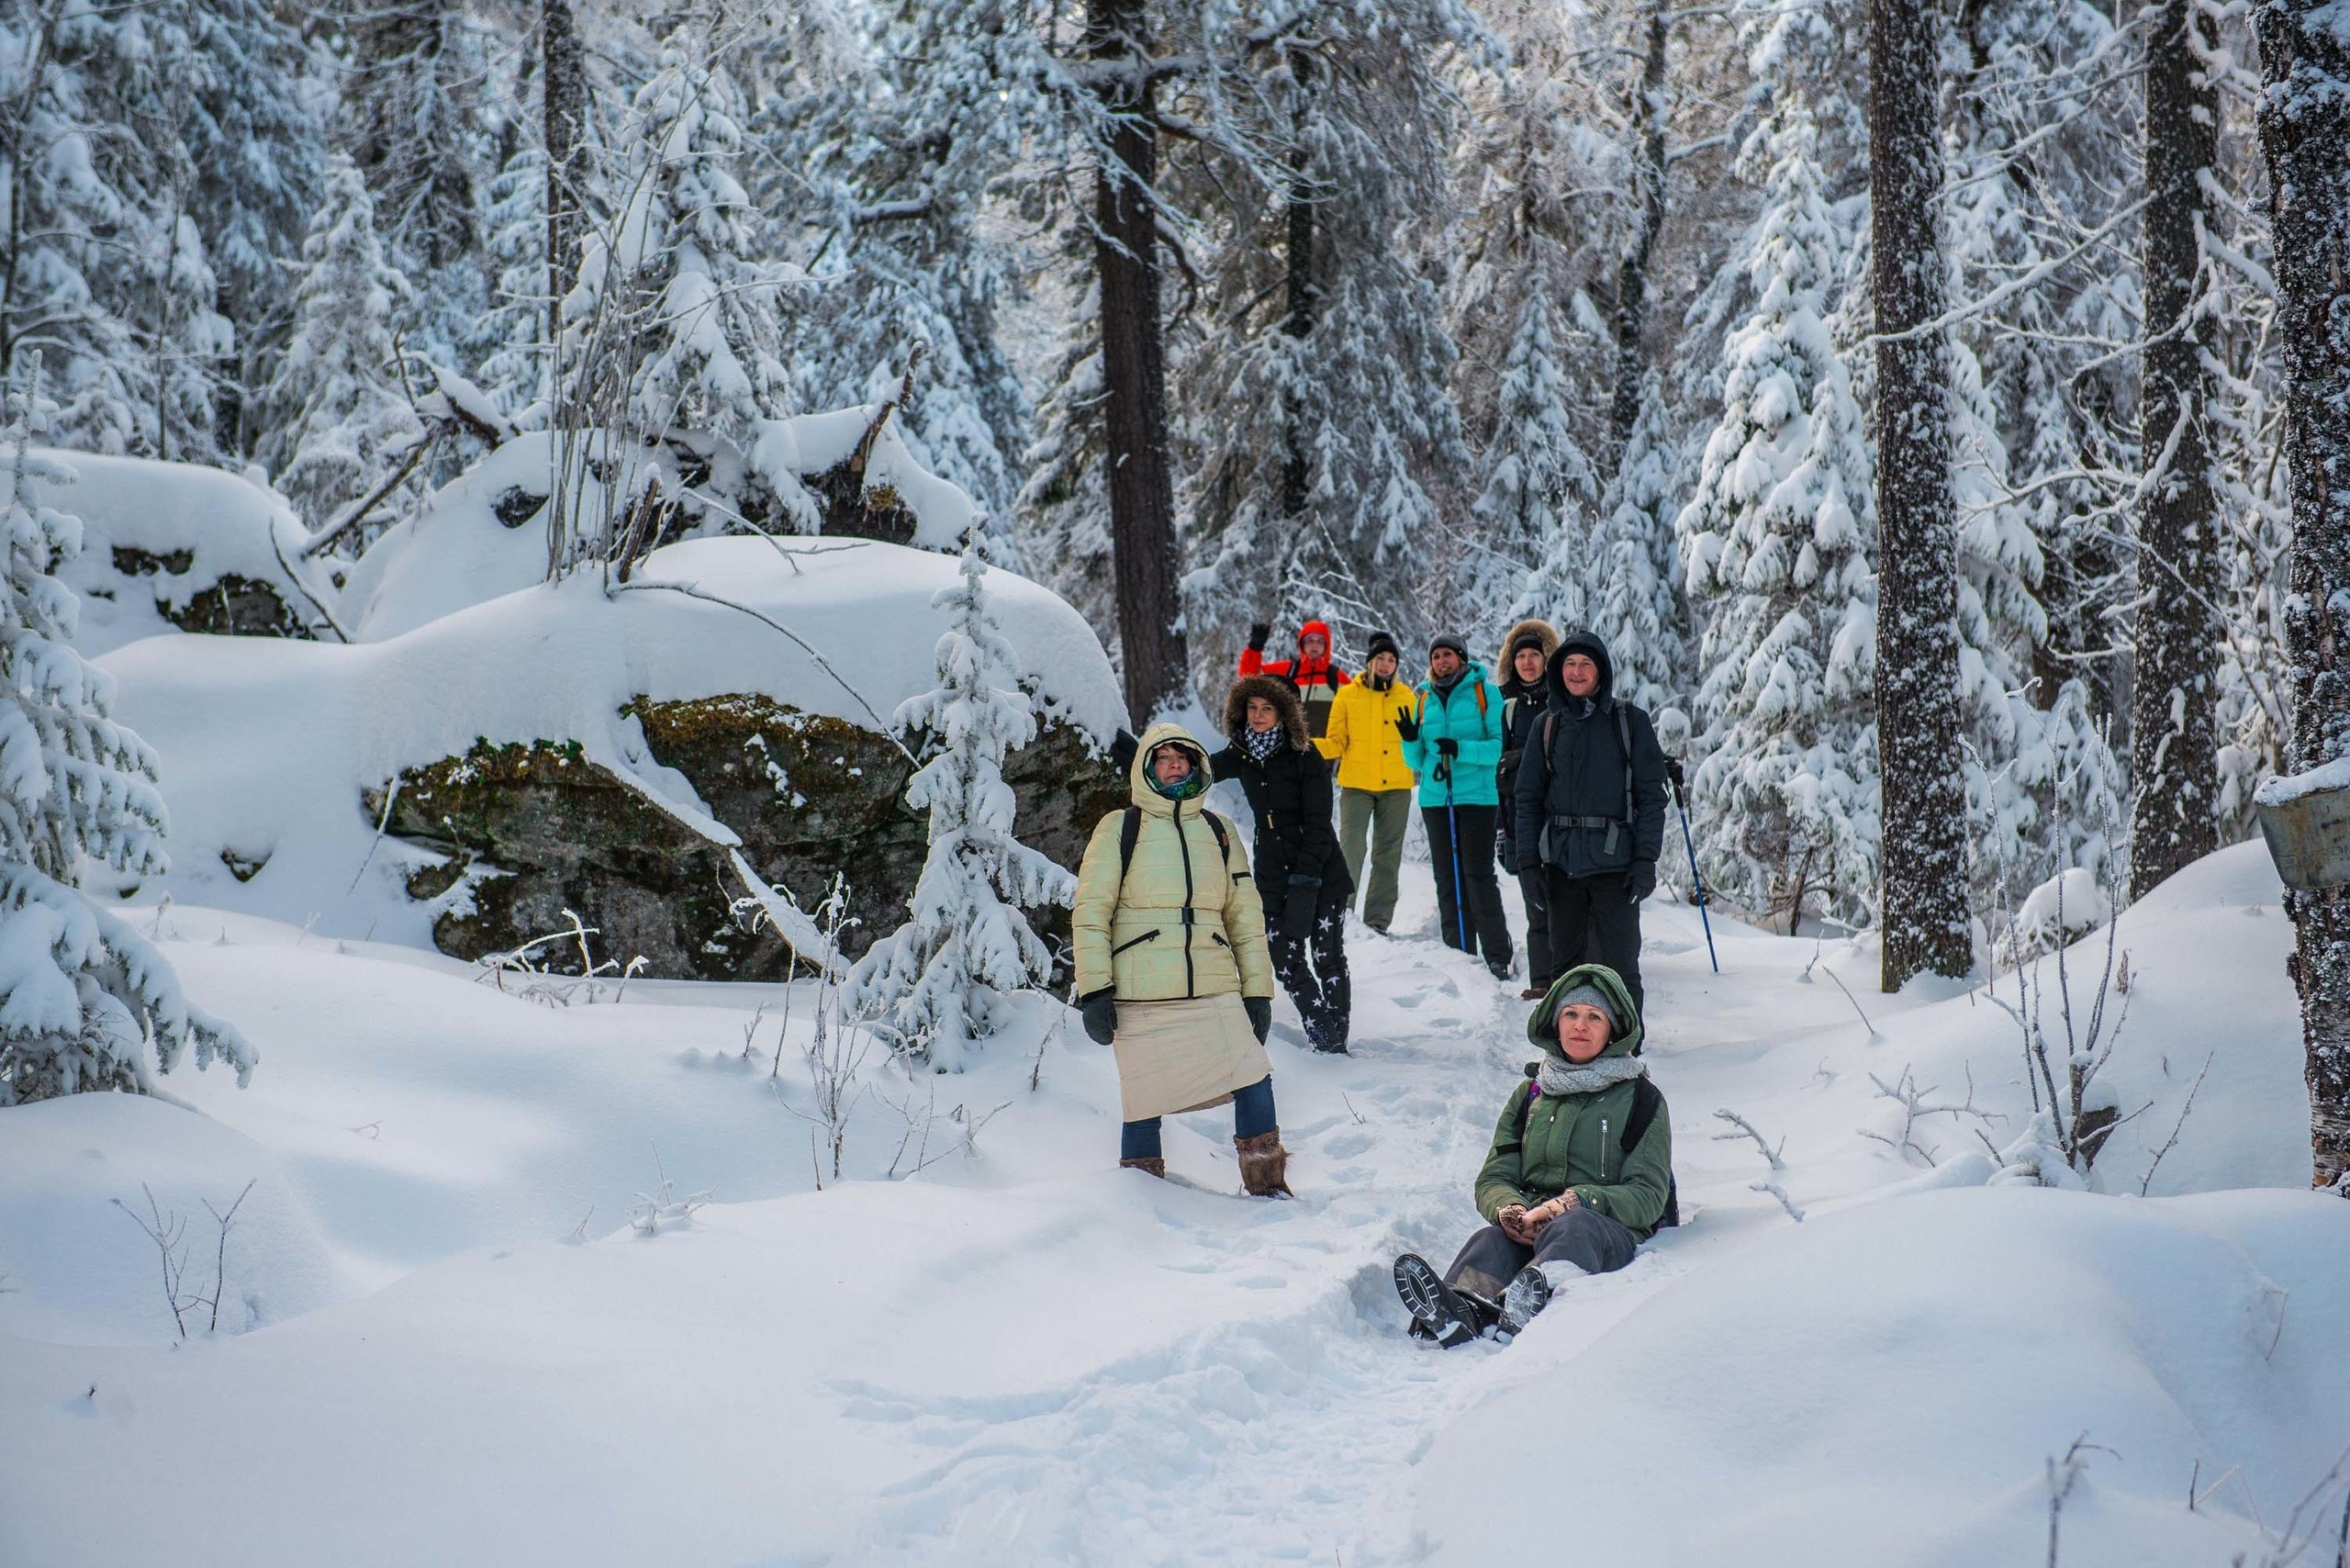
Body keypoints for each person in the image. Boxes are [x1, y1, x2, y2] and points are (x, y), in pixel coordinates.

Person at [1391, 964, 1673, 1345]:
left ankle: (1525, 1304)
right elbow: (1495, 1176)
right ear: (1554, 1022)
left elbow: (1648, 1196)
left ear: (1614, 1030)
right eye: (1570, 1014)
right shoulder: (1531, 1094)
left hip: (1605, 1232)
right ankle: (1459, 1308)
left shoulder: (1642, 1099)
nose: (1580, 1026)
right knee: (1489, 1239)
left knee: (1575, 1226)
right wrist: (1511, 1210)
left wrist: (1574, 1202)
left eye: (1594, 1017)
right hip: (1533, 1226)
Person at [1072, 722, 1292, 1195]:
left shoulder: (1219, 829)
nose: (1175, 765)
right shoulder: (1119, 827)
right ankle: (1142, 1197)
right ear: (1146, 767)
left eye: (1183, 757)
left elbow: (1244, 915)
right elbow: (1091, 913)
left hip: (1214, 989)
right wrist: (1094, 989)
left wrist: (1257, 991)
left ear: (1196, 765)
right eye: (1163, 757)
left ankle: (1269, 1187)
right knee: (1144, 1099)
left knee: (1254, 1077)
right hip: (1141, 994)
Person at [1511, 629, 1669, 1019]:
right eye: (1569, 664)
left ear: (1601, 672)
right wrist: (1528, 864)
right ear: (1558, 671)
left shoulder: (1630, 722)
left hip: (1616, 869)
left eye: (1585, 664)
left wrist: (1645, 860)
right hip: (1561, 869)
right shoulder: (1546, 726)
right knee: (1565, 971)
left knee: (1620, 969)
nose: (1577, 672)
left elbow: (1652, 797)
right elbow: (1527, 800)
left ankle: (1627, 1055)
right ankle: (1567, 1060)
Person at [1211, 677, 1354, 1052]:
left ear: (1282, 713)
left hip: (1320, 867)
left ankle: (1335, 1039)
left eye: (1266, 709)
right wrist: (1142, 754)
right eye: (1252, 708)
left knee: (1328, 957)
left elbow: (1322, 823)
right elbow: (1194, 768)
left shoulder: (1305, 756)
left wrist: (1307, 878)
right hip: (1272, 870)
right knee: (1285, 959)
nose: (1257, 716)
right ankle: (1322, 1029)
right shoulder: (1240, 753)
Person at [1401, 633, 1513, 979]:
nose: (1441, 662)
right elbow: (1416, 760)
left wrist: (1460, 749)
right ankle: (1456, 950)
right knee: (1446, 876)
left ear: (1461, 658)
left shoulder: (1486, 693)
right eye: (1436, 656)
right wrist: (1407, 740)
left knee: (1477, 875)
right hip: (1437, 799)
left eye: (1447, 655)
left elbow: (1497, 749)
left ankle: (1497, 954)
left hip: (1477, 798)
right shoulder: (1424, 700)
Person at [1322, 630, 1417, 934]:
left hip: (1396, 788)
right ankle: (1343, 913)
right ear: (1370, 662)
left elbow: (1415, 744)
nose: (1386, 664)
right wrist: (1307, 745)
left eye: (1391, 659)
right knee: (1351, 848)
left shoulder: (1406, 695)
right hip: (1357, 785)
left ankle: (1377, 920)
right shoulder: (1348, 694)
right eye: (1381, 659)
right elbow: (1336, 742)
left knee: (1387, 855)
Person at [1495, 619, 1561, 1001]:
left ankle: (1569, 975)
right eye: (1520, 656)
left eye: (1534, 655)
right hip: (1520, 815)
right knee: (1534, 898)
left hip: (1562, 813)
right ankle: (1541, 981)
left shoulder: (1561, 698)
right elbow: (1498, 768)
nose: (1527, 663)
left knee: (1566, 899)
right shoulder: (1505, 705)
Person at [1238, 618, 1349, 740]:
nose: (1314, 645)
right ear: (1302, 644)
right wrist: (1254, 649)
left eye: (1320, 641)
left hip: (1323, 752)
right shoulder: (1288, 671)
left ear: (1326, 645)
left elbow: (1355, 710)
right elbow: (1250, 679)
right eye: (1309, 640)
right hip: (1288, 750)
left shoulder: (1337, 677)